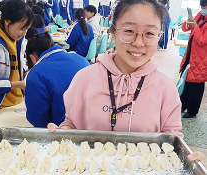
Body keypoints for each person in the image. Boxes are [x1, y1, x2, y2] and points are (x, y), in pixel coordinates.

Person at [48, 0, 205, 162]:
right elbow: (71, 124)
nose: (138, 42)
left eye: (150, 33)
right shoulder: (84, 79)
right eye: (129, 30)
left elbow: (171, 142)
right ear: (113, 31)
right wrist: (61, 133)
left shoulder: (166, 90)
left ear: (159, 36)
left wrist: (188, 159)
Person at [25, 32, 89, 127]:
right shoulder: (82, 60)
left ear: (32, 57)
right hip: (92, 127)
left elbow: (39, 120)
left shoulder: (36, 74)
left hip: (62, 133)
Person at [0, 0, 35, 109]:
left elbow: (20, 66)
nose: (24, 33)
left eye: (27, 29)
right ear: (7, 21)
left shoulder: (19, 40)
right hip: (1, 106)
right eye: (22, 28)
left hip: (18, 101)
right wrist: (18, 84)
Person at [180, 0, 207, 119]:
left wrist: (195, 27)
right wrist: (188, 23)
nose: (203, 8)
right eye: (201, 6)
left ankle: (192, 111)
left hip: (202, 58)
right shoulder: (199, 15)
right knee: (186, 80)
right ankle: (183, 105)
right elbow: (186, 29)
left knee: (197, 84)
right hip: (191, 54)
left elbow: (202, 41)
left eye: (205, 6)